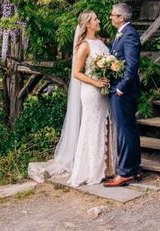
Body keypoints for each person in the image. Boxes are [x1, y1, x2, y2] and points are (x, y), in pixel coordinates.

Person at [49, 10, 116, 186]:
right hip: (91, 92)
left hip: (103, 89)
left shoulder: (100, 42)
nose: (98, 20)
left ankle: (107, 168)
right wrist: (95, 82)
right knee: (92, 127)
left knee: (107, 125)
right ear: (88, 24)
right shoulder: (84, 46)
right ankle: (91, 169)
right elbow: (77, 73)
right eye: (95, 19)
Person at [104, 2, 142, 187]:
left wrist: (121, 87)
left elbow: (132, 65)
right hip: (120, 88)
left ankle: (125, 172)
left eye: (112, 15)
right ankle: (134, 169)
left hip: (123, 91)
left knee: (124, 131)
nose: (110, 17)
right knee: (129, 129)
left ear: (121, 18)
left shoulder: (129, 35)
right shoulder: (122, 34)